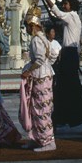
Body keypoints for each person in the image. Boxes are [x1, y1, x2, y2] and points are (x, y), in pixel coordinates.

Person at [45, 0, 82, 134]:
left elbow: (57, 13)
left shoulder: (72, 16)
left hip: (69, 55)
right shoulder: (70, 19)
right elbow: (59, 17)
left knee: (73, 89)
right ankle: (57, 121)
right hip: (68, 54)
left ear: (72, 5)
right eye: (63, 3)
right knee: (62, 89)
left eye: (66, 3)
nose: (64, 5)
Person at [19, 14, 56, 152]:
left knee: (41, 110)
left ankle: (48, 142)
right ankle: (37, 139)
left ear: (32, 26)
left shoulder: (36, 40)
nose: (27, 30)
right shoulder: (44, 38)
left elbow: (40, 60)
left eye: (27, 26)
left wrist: (29, 71)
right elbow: (53, 55)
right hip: (45, 75)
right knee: (36, 108)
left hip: (41, 77)